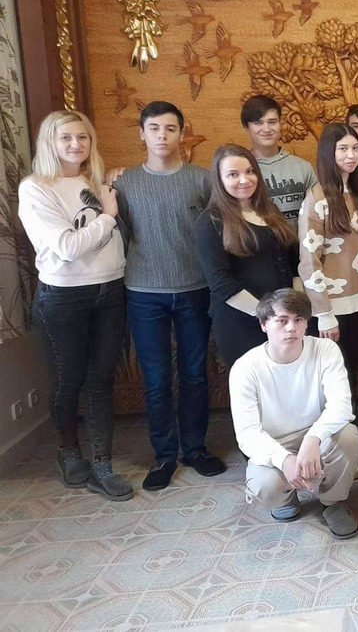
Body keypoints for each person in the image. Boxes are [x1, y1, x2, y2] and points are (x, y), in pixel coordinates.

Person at [112, 100, 225, 491]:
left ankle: (195, 448)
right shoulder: (125, 184)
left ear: (182, 134)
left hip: (194, 290)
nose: (162, 136)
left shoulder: (202, 180)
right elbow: (123, 234)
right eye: (154, 128)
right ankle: (163, 455)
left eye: (171, 128)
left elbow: (216, 233)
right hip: (145, 294)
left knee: (194, 374)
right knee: (157, 378)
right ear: (142, 134)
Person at [19, 111, 131, 501]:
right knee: (68, 382)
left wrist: (113, 187)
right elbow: (67, 247)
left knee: (101, 380)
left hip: (110, 291)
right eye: (65, 137)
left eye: (82, 137)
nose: (75, 144)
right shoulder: (36, 188)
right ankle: (69, 453)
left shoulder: (94, 183)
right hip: (63, 296)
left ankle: (102, 464)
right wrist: (109, 217)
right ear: (49, 143)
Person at [229, 289, 358, 539]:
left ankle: (333, 501)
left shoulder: (325, 349)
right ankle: (285, 498)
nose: (291, 327)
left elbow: (341, 406)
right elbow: (247, 434)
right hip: (275, 441)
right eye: (282, 320)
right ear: (264, 324)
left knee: (349, 438)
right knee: (264, 485)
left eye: (298, 319)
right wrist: (283, 460)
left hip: (318, 434)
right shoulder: (245, 368)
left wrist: (313, 438)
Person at [298, 123, 358, 435]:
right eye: (342, 149)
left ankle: (346, 437)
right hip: (330, 309)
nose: (350, 155)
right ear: (328, 154)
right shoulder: (317, 198)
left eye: (354, 148)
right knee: (330, 378)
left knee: (351, 371)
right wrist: (323, 313)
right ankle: (327, 440)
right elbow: (309, 261)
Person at [194, 144, 298, 367]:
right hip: (241, 324)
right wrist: (267, 317)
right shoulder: (210, 221)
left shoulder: (271, 211)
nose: (244, 179)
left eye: (250, 171)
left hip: (283, 320)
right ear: (219, 180)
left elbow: (293, 262)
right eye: (233, 174)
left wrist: (295, 310)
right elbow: (220, 283)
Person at [240, 94, 316, 229]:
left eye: (272, 122)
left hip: (299, 242)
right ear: (246, 127)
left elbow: (317, 214)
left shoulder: (303, 168)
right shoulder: (239, 171)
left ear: (280, 123)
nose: (266, 129)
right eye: (258, 123)